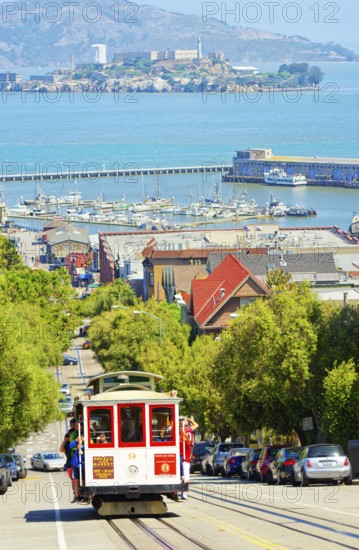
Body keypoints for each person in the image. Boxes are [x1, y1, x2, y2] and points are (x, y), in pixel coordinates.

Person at [179, 416, 198, 500]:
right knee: (179, 475)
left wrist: (185, 435)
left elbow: (190, 443)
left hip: (186, 457)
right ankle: (179, 491)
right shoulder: (177, 432)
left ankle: (184, 493)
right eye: (181, 425)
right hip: (178, 456)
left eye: (185, 426)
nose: (183, 427)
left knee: (185, 476)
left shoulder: (189, 433)